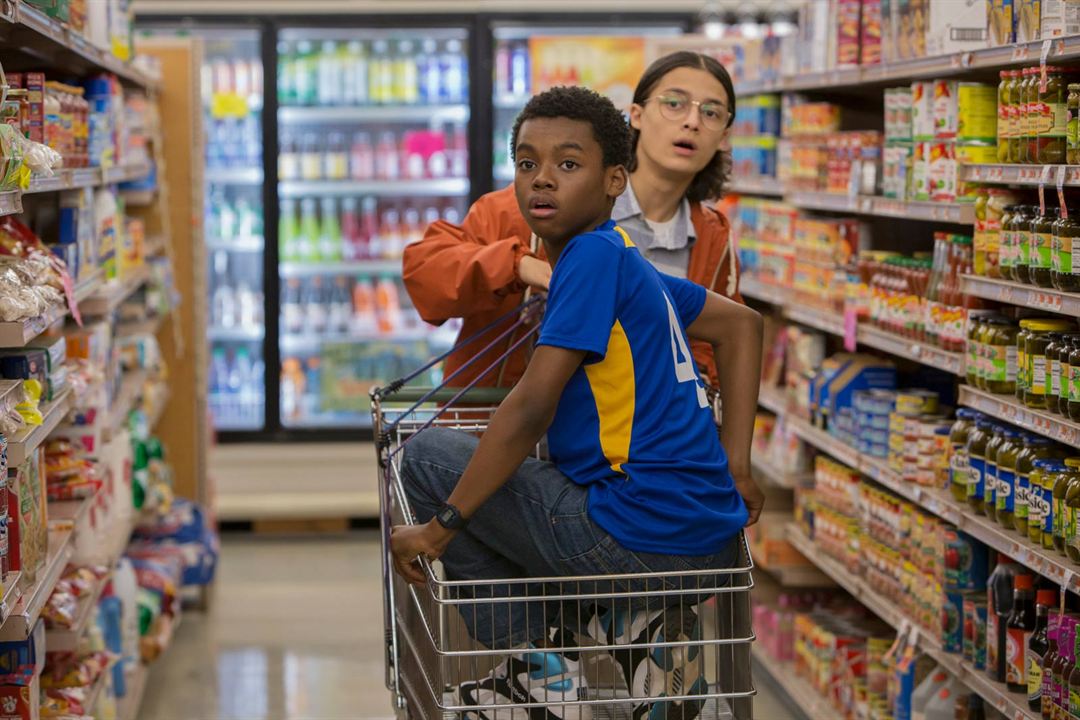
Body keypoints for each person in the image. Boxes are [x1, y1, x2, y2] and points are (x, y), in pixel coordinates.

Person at [390, 86, 763, 720]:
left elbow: (531, 405)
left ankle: (543, 669)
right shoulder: (623, 258)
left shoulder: (588, 259)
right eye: (527, 163)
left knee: (426, 457)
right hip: (706, 535)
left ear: (615, 179)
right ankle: (626, 635)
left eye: (568, 164)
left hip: (637, 534)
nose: (542, 180)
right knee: (533, 475)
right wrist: (737, 468)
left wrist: (438, 527)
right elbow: (742, 326)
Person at [403, 51, 740, 390]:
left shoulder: (711, 238)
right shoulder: (527, 208)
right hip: (516, 426)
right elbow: (426, 271)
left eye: (711, 112)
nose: (692, 122)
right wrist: (518, 265)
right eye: (674, 104)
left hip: (635, 435)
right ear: (636, 115)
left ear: (724, 135)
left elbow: (715, 343)